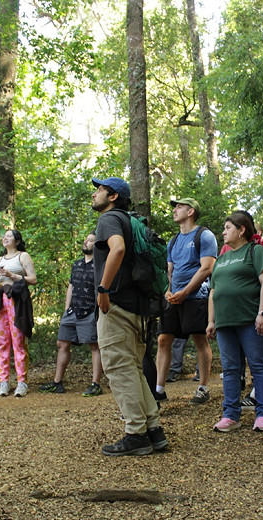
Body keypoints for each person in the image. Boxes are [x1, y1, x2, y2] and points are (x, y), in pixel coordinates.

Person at [91, 176, 168, 456]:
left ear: (112, 197)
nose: (95, 194)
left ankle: (135, 434)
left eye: (99, 190)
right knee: (133, 368)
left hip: (118, 306)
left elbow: (118, 249)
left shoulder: (110, 219)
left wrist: (104, 287)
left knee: (118, 368)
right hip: (137, 308)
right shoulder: (132, 221)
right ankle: (153, 429)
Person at [207, 211, 263, 432]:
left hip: (249, 319)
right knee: (230, 369)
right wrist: (211, 321)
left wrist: (262, 313)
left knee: (257, 366)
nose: (223, 232)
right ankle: (231, 415)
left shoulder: (256, 251)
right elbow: (213, 292)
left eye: (228, 227)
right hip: (225, 322)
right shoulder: (221, 259)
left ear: (242, 229)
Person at [155, 198, 218, 404]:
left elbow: (207, 268)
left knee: (200, 340)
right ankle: (159, 389)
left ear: (191, 211)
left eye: (179, 207)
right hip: (174, 298)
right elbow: (170, 270)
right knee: (163, 339)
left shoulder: (204, 236)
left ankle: (203, 387)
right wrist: (168, 290)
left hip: (196, 296)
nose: (175, 210)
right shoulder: (173, 241)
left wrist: (185, 292)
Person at [39, 233, 104, 397]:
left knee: (94, 346)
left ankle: (96, 384)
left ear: (95, 245)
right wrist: (66, 308)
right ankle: (57, 383)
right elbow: (71, 287)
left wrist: (98, 310)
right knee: (62, 343)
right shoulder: (77, 264)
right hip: (72, 311)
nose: (86, 242)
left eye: (90, 241)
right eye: (86, 240)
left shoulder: (100, 265)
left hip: (89, 311)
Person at [0, 229, 36, 397]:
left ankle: (22, 381)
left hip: (16, 300)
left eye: (9, 236)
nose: (5, 238)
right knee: (1, 342)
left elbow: (33, 279)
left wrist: (12, 275)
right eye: (4, 236)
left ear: (17, 241)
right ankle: (3, 381)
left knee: (18, 340)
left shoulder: (23, 256)